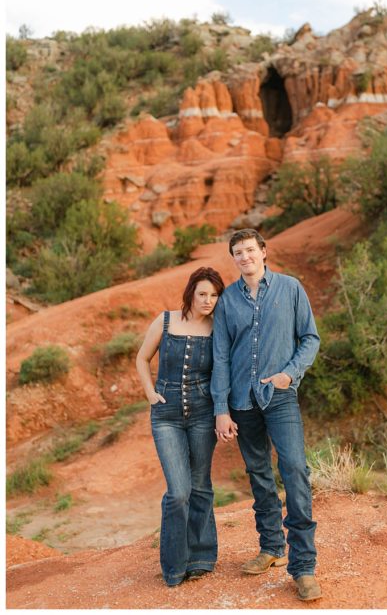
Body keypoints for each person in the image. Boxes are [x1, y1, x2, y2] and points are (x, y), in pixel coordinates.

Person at [211, 229, 322, 602]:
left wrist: (290, 373)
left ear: (263, 252)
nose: (244, 257)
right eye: (237, 253)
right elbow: (222, 356)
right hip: (242, 402)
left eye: (249, 250)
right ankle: (272, 547)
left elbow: (310, 338)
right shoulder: (227, 300)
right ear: (234, 259)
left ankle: (303, 567)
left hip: (279, 395)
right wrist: (221, 409)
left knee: (294, 470)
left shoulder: (290, 289)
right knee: (259, 475)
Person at [136, 266, 226, 587]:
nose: (208, 300)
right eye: (202, 293)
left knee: (200, 486)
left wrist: (222, 412)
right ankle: (174, 565)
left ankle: (201, 556)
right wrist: (150, 392)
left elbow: (223, 373)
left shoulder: (218, 329)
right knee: (178, 492)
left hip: (204, 412)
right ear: (191, 292)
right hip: (166, 415)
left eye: (214, 295)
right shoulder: (164, 320)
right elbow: (142, 358)